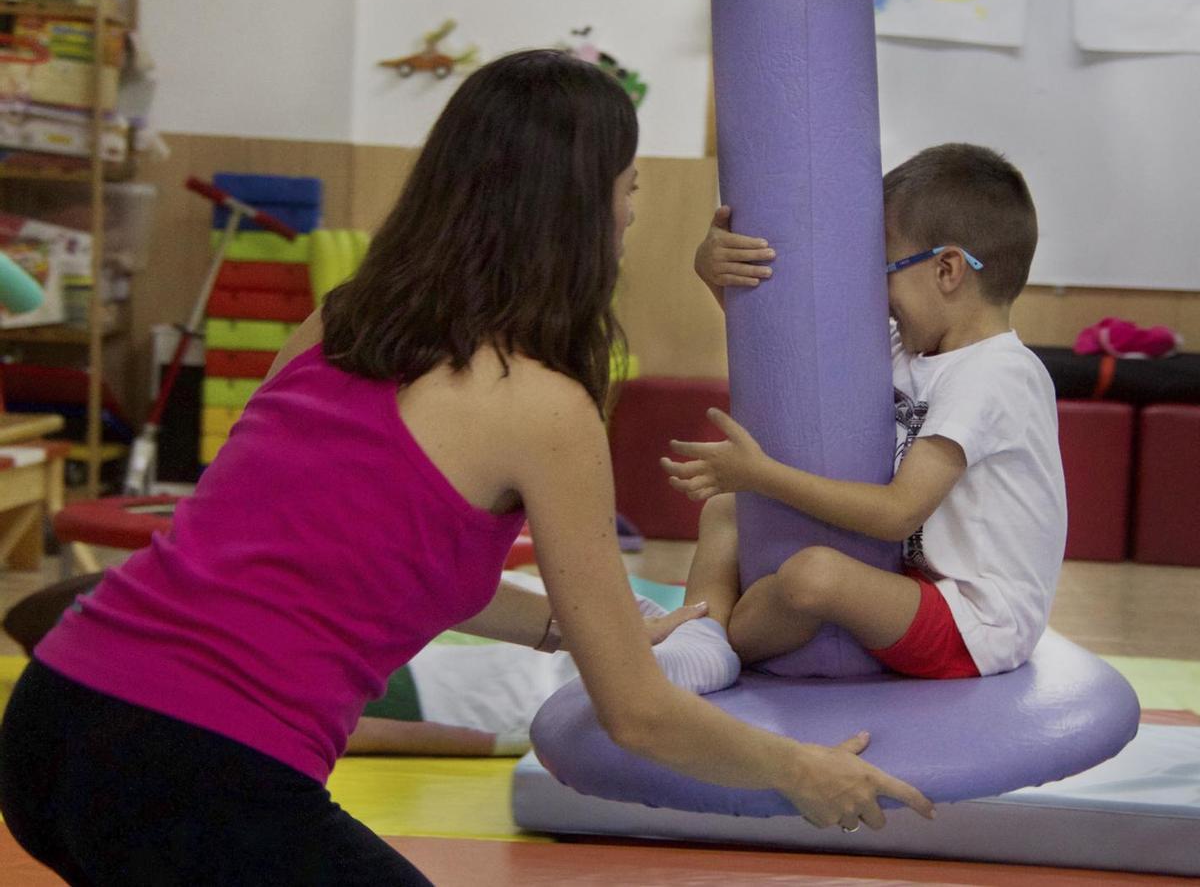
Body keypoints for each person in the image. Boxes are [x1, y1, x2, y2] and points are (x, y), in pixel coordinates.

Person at [0, 50, 933, 886]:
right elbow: (640, 718)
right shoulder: (542, 403)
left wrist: (582, 631)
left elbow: (380, 558)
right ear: (579, 209)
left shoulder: (343, 320)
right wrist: (800, 771)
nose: (630, 218)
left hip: (55, 718)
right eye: (629, 191)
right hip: (196, 764)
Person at [664, 143, 1067, 683]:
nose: (873, 291)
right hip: (910, 581)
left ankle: (721, 641)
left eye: (885, 269)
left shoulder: (997, 375)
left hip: (975, 622)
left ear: (947, 269)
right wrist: (714, 275)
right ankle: (700, 634)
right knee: (728, 509)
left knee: (815, 575)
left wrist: (762, 473)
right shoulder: (913, 349)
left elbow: (899, 512)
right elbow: (792, 370)